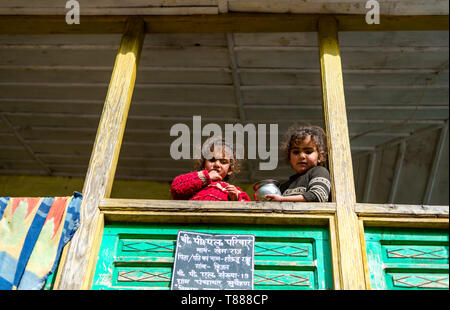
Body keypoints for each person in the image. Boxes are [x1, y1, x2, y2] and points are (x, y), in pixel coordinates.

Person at [265, 125, 331, 202]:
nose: (302, 156)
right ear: (289, 156)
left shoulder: (319, 171)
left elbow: (318, 196)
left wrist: (282, 200)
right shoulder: (285, 186)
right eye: (296, 152)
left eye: (308, 152)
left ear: (320, 156)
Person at [171, 138, 251, 201]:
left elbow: (249, 210)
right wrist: (206, 176)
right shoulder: (194, 185)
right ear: (203, 164)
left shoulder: (233, 191)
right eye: (212, 160)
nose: (217, 164)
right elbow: (176, 188)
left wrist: (236, 198)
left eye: (223, 162)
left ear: (230, 169)